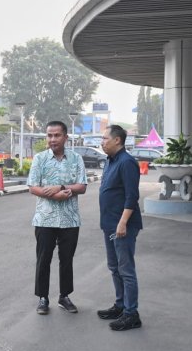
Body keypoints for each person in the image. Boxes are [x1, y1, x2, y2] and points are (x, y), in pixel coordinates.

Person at [27, 121, 88, 315]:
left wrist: (61, 187)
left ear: (65, 137)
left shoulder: (76, 159)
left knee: (66, 259)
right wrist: (53, 195)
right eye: (49, 135)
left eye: (57, 135)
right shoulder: (40, 159)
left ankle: (64, 296)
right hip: (45, 219)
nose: (52, 139)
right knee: (43, 259)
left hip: (70, 219)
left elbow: (82, 186)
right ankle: (43, 298)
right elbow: (32, 187)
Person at [97, 124, 143, 331]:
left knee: (126, 270)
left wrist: (123, 223)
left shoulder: (127, 163)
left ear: (117, 140)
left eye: (105, 138)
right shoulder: (110, 161)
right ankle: (120, 305)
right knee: (114, 267)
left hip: (122, 225)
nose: (102, 142)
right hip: (109, 224)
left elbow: (132, 196)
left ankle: (131, 313)